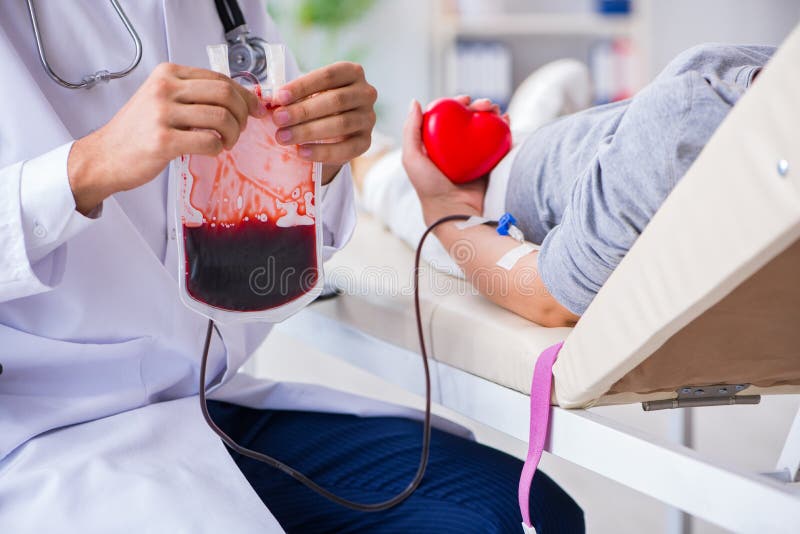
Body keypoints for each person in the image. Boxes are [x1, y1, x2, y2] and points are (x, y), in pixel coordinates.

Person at [0, 2, 583, 532]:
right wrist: (85, 168)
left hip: (203, 405)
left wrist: (321, 162)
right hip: (43, 437)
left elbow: (264, 247)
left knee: (525, 511)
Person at [371, 44, 775, 328]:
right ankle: (526, 129)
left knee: (392, 184)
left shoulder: (680, 127)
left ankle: (367, 165)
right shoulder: (763, 72)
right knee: (568, 81)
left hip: (487, 206)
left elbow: (551, 299)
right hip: (565, 149)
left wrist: (445, 213)